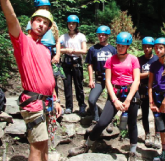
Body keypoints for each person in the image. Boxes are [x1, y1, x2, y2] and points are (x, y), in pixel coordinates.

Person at [0, 0, 61, 161]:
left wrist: (54, 99)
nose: (42, 25)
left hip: (45, 102)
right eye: (39, 20)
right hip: (33, 103)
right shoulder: (23, 43)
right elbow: (11, 19)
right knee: (37, 149)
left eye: (45, 23)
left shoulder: (44, 49)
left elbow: (48, 78)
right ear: (31, 21)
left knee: (43, 147)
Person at [68, 32, 141, 161]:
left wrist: (128, 99)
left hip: (131, 93)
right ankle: (86, 145)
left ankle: (133, 151)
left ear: (128, 47)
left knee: (132, 123)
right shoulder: (111, 60)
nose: (119, 48)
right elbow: (108, 81)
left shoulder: (133, 59)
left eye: (122, 46)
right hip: (116, 93)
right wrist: (114, 100)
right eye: (118, 45)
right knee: (102, 122)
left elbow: (136, 80)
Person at [26, 0, 62, 95]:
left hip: (51, 50)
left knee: (52, 78)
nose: (45, 10)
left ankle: (54, 102)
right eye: (42, 8)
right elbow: (31, 38)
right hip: (39, 50)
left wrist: (58, 55)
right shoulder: (34, 22)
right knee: (40, 76)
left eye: (46, 8)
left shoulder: (52, 23)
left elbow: (57, 40)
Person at [85, 25, 117, 132]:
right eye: (99, 34)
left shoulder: (112, 49)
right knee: (91, 100)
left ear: (107, 36)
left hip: (111, 79)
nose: (101, 36)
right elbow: (89, 64)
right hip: (99, 78)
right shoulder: (93, 49)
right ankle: (95, 119)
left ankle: (110, 120)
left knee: (112, 100)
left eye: (103, 35)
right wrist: (90, 79)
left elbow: (117, 65)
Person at [60, 15, 87, 116]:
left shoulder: (81, 36)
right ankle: (68, 106)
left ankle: (82, 105)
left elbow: (84, 50)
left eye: (73, 24)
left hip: (76, 62)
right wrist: (66, 50)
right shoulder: (63, 37)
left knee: (78, 84)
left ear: (76, 25)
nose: (71, 25)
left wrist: (74, 51)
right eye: (70, 23)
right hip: (66, 62)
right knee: (67, 85)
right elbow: (58, 49)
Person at [137, 36, 160, 148]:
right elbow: (136, 76)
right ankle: (147, 134)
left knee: (157, 114)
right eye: (145, 46)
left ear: (152, 48)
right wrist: (150, 73)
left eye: (149, 47)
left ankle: (157, 135)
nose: (146, 49)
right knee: (145, 113)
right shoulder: (139, 60)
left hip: (155, 89)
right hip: (142, 88)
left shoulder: (156, 59)